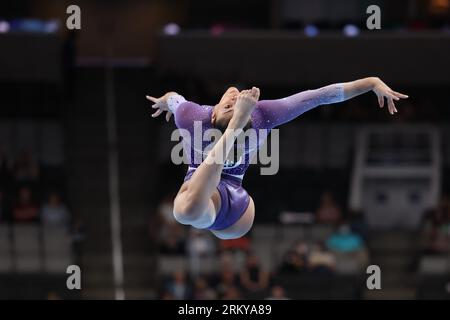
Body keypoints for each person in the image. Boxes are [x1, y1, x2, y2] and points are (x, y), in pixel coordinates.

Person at [147, 77, 408, 240]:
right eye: (233, 106)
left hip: (228, 204)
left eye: (235, 106)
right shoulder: (259, 114)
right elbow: (317, 97)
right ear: (214, 117)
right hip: (227, 204)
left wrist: (372, 83)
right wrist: (371, 82)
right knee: (189, 208)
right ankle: (230, 135)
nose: (236, 97)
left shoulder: (192, 115)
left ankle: (229, 137)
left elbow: (319, 96)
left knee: (184, 212)